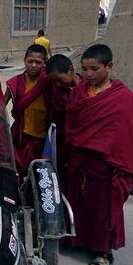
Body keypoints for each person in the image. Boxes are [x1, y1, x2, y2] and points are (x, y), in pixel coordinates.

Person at [65, 44, 133, 265]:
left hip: (105, 164)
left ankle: (104, 252)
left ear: (109, 66)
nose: (87, 74)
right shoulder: (80, 92)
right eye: (84, 69)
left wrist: (116, 161)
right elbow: (73, 123)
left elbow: (125, 134)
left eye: (94, 69)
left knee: (104, 208)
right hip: (80, 160)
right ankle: (77, 241)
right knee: (77, 202)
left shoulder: (122, 97)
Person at [4, 44, 51, 178]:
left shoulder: (48, 82)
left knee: (39, 174)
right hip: (21, 136)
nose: (34, 65)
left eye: (38, 62)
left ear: (44, 63)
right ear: (24, 60)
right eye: (30, 61)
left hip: (42, 138)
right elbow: (0, 105)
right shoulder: (16, 82)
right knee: (18, 171)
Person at [45, 54, 81, 193]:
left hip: (85, 148)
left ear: (71, 70)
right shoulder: (58, 94)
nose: (57, 85)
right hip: (64, 148)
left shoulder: (87, 89)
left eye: (59, 80)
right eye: (53, 82)